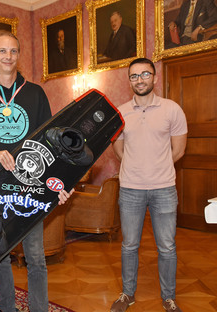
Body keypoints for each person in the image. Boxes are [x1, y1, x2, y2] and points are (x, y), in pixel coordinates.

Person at [0, 30, 72, 312]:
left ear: (19, 56)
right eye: (2, 51)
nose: (8, 56)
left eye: (14, 51)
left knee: (36, 257)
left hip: (29, 187)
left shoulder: (35, 93)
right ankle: (8, 308)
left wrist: (59, 182)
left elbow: (51, 141)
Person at [110, 58, 187, 312]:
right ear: (129, 80)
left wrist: (155, 168)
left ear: (155, 78)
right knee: (129, 245)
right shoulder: (120, 112)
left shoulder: (172, 109)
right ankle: (127, 294)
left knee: (167, 246)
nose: (140, 79)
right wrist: (137, 167)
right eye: (134, 76)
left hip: (164, 188)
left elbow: (178, 151)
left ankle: (168, 297)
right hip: (130, 189)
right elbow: (119, 149)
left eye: (145, 74)